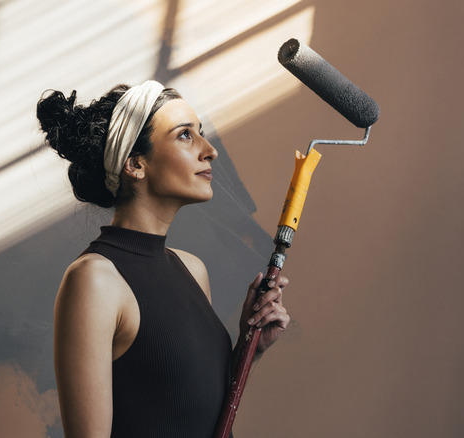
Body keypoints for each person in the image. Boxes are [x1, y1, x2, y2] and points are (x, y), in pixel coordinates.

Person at [37, 80, 290, 437]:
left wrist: (250, 347)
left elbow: (188, 412)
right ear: (135, 164)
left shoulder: (192, 269)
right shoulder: (94, 280)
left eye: (200, 132)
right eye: (185, 135)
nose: (209, 150)